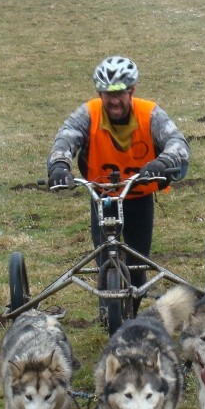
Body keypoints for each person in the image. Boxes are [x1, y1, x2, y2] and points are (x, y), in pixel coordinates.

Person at [46, 55, 190, 315]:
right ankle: (107, 309)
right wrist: (59, 165)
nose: (113, 100)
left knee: (137, 262)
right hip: (103, 196)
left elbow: (177, 143)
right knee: (104, 256)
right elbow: (65, 139)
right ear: (99, 93)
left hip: (139, 196)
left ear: (131, 91)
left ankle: (132, 309)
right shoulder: (88, 113)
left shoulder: (150, 114)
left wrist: (162, 162)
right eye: (106, 94)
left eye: (119, 93)